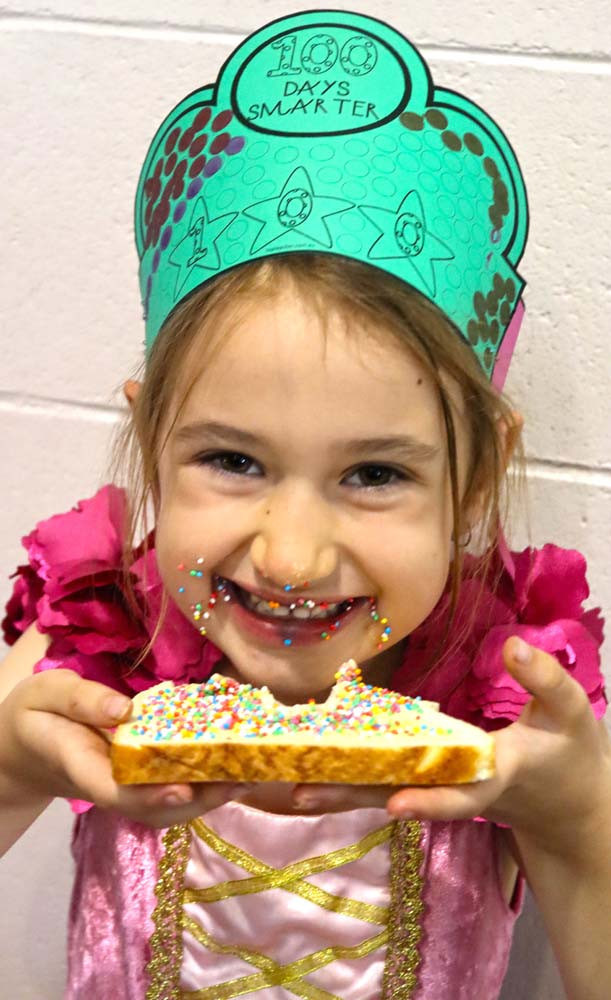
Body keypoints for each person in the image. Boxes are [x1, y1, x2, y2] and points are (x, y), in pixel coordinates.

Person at [1, 9, 609, 999]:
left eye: (372, 475)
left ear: (476, 475)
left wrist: (576, 812)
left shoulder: (511, 700)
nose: (288, 557)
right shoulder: (94, 641)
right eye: (232, 460)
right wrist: (14, 768)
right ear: (151, 441)